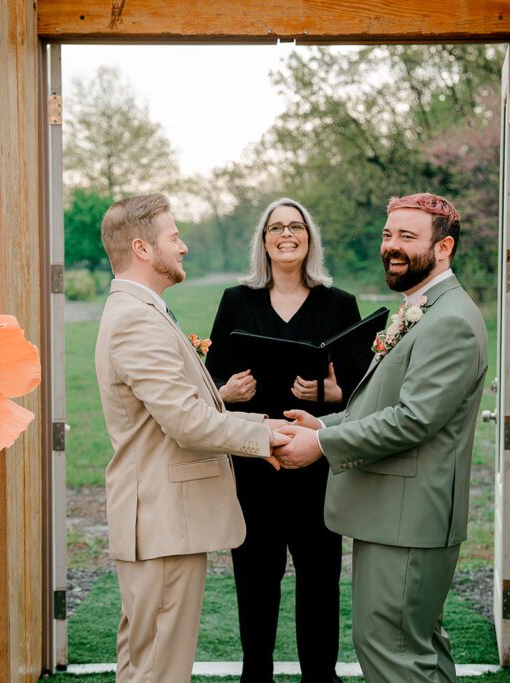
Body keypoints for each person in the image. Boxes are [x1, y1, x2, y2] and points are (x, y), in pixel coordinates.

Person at [274, 192, 488, 683]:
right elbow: (385, 403)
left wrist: (321, 447)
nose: (392, 246)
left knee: (390, 652)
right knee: (416, 648)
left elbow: (413, 419)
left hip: (408, 518)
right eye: (388, 234)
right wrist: (323, 424)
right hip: (396, 516)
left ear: (444, 248)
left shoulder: (449, 320)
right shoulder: (423, 308)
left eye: (407, 237)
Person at [94, 193, 290, 683]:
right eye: (175, 237)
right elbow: (184, 421)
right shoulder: (136, 318)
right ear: (142, 248)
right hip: (162, 521)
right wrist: (263, 435)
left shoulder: (143, 309)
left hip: (164, 522)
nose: (183, 248)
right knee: (158, 669)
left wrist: (251, 420)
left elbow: (182, 407)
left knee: (148, 662)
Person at [205, 198, 365, 683]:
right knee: (255, 580)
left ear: (309, 238)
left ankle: (321, 676)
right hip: (256, 467)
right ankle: (256, 675)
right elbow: (210, 382)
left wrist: (337, 393)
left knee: (319, 579)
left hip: (317, 464)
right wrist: (226, 392)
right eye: (277, 227)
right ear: (264, 240)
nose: (287, 234)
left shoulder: (340, 304)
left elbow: (362, 392)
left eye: (296, 226)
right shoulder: (237, 301)